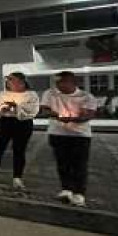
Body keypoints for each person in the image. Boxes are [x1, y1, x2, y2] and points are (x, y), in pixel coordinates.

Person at [41, 71, 98, 207]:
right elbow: (44, 109)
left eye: (63, 82)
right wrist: (56, 115)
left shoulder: (86, 96)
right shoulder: (50, 93)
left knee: (79, 165)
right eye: (57, 82)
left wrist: (73, 119)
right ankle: (66, 189)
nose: (59, 85)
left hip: (79, 135)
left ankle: (79, 193)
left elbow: (89, 115)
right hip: (57, 133)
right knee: (62, 163)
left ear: (73, 83)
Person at [0, 72, 40, 191]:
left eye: (12, 79)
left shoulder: (31, 95)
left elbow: (33, 110)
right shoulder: (2, 94)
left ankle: (17, 178)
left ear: (22, 81)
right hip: (4, 122)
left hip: (23, 124)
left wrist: (16, 106)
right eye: (8, 80)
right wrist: (2, 109)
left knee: (19, 150)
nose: (9, 82)